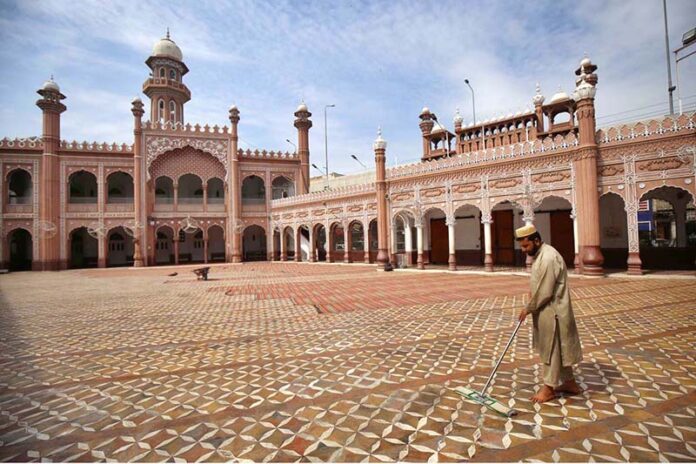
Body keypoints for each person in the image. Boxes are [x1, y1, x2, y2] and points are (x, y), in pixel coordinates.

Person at [516, 224, 583, 403]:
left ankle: (549, 389)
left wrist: (528, 308)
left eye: (526, 246)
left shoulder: (548, 257)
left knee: (551, 349)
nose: (524, 250)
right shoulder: (540, 255)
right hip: (546, 310)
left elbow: (545, 291)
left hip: (553, 311)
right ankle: (570, 383)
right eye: (522, 247)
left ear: (536, 240)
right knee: (556, 347)